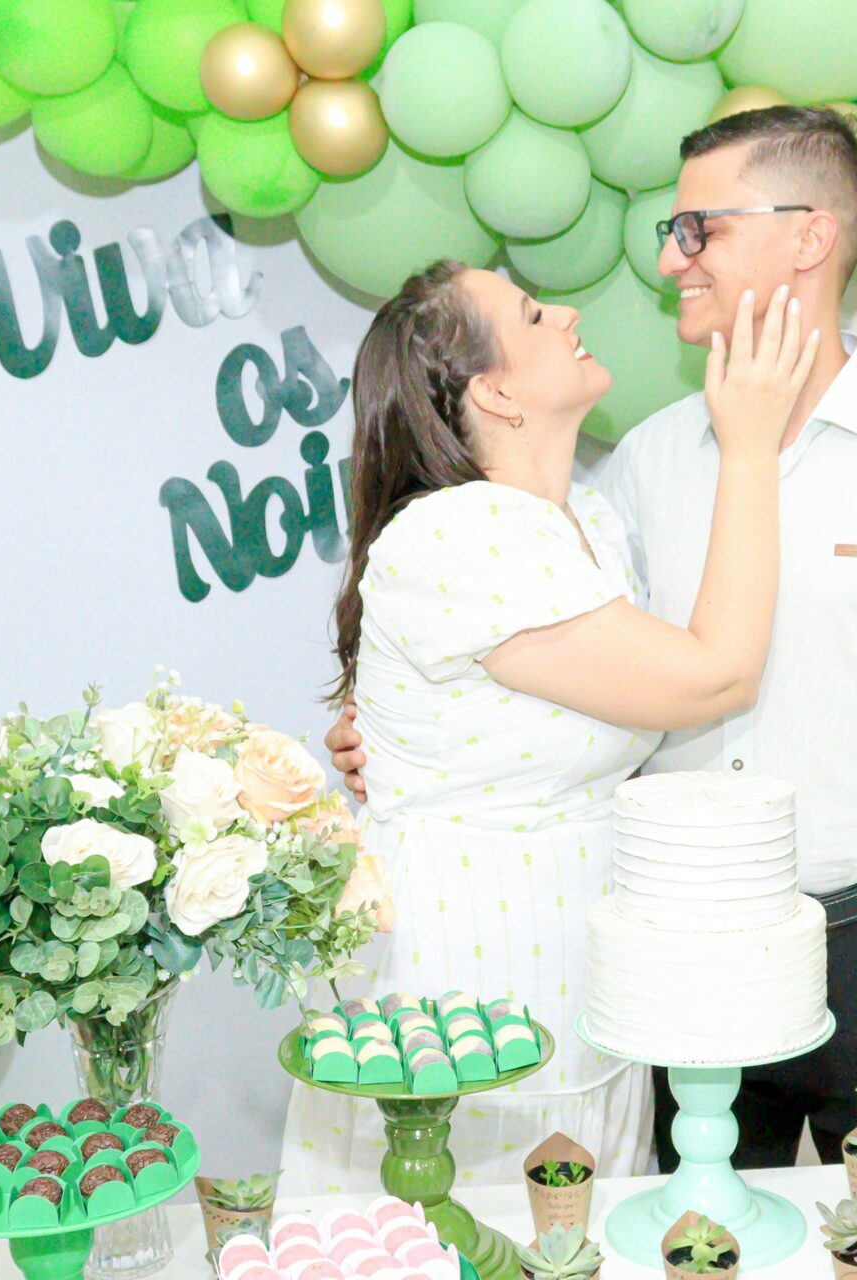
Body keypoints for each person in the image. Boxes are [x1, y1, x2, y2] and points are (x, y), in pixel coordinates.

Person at [330, 107, 857, 1170]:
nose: (668, 259)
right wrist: (399, 739)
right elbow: (567, 664)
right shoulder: (638, 468)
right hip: (676, 942)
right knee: (684, 1230)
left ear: (809, 236)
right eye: (671, 229)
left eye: (699, 230)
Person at [278, 259, 820, 1193]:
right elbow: (717, 674)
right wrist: (751, 445)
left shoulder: (586, 517)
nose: (567, 312)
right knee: (457, 1226)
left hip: (584, 959)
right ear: (494, 391)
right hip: (464, 974)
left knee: (573, 1233)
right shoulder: (456, 535)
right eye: (533, 315)